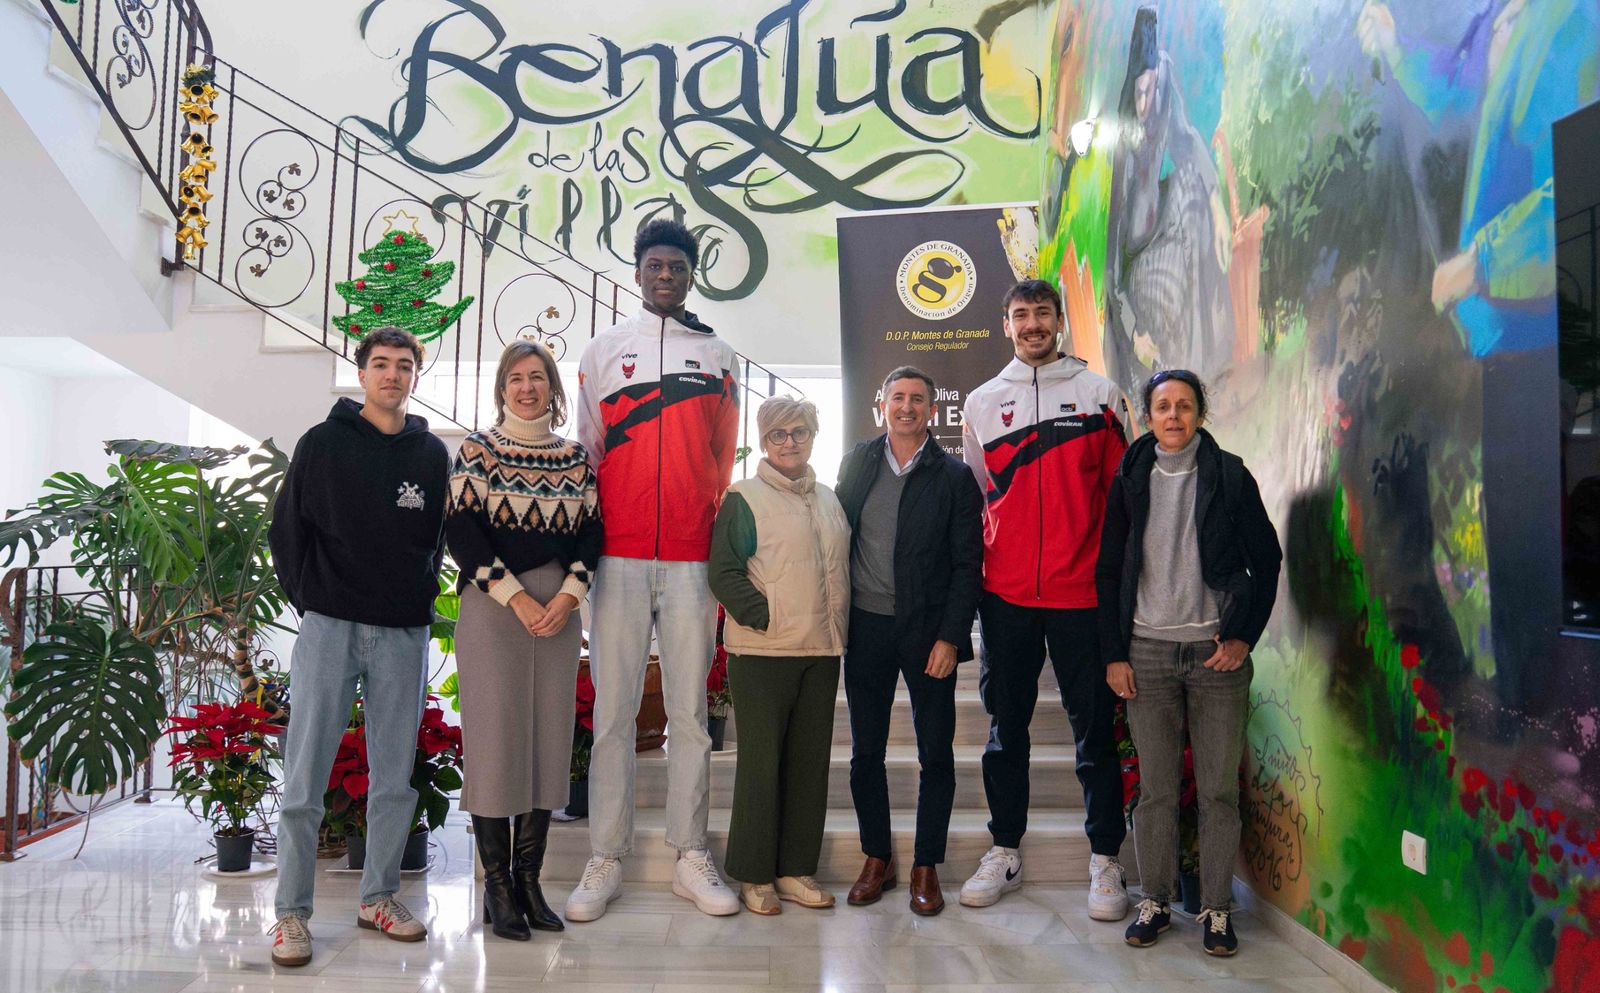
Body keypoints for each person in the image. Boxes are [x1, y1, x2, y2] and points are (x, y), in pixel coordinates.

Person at [566, 218, 742, 921]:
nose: (665, 275)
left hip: (693, 559)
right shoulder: (604, 351)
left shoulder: (720, 354)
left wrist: (700, 519)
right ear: (636, 273)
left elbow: (723, 458)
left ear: (692, 274)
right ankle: (605, 854)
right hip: (619, 554)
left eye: (677, 266)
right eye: (653, 265)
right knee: (612, 712)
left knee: (691, 713)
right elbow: (589, 449)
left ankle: (689, 854)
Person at [266, 327, 450, 967]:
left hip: (402, 630)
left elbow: (436, 541)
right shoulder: (320, 445)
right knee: (305, 775)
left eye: (404, 366)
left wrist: (418, 595)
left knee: (394, 778)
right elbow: (286, 532)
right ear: (362, 373)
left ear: (414, 377)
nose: (392, 375)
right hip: (330, 627)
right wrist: (313, 601)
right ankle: (291, 915)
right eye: (381, 365)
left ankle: (379, 897)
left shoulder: (431, 455)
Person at [957, 280, 1132, 919]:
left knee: (1094, 733)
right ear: (1005, 324)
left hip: (1082, 595)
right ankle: (1005, 849)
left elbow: (1121, 503)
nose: (1033, 324)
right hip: (1005, 596)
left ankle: (1105, 860)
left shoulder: (1100, 395)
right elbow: (983, 494)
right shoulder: (982, 402)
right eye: (1021, 315)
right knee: (1007, 732)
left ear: (1059, 320)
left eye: (1043, 313)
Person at [1098, 369, 1281, 957]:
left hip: (1214, 657)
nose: (1172, 416)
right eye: (1161, 406)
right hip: (1145, 654)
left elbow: (1267, 560)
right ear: (1147, 416)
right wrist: (1113, 653)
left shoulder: (1228, 475)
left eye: (1184, 406)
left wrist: (1244, 637)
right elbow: (1108, 571)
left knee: (1218, 792)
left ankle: (1216, 909)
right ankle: (1153, 900)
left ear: (1200, 413)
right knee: (1154, 791)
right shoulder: (1129, 476)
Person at [445, 339, 601, 939]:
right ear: (502, 388)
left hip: (558, 612)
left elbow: (591, 535)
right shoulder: (477, 452)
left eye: (538, 377)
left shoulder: (575, 458)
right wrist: (517, 597)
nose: (527, 387)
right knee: (494, 738)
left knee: (547, 738)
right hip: (492, 607)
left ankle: (530, 880)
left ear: (553, 389)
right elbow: (463, 532)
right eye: (516, 377)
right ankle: (498, 888)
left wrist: (566, 599)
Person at [836, 366, 984, 916]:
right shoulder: (857, 462)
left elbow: (969, 565)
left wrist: (952, 636)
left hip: (927, 634)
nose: (906, 407)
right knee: (865, 753)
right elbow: (835, 533)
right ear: (882, 404)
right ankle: (879, 857)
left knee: (934, 754)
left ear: (931, 409)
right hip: (866, 627)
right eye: (897, 397)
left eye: (917, 399)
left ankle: (926, 864)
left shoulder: (953, 477)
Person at [708, 396, 850, 915]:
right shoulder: (743, 497)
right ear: (764, 441)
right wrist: (767, 617)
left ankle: (795, 870)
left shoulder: (831, 500)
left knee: (809, 766)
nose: (789, 442)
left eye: (799, 432)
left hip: (822, 650)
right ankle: (753, 875)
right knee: (761, 766)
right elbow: (723, 572)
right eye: (777, 435)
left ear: (814, 435)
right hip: (763, 653)